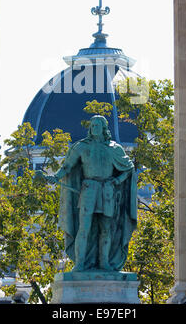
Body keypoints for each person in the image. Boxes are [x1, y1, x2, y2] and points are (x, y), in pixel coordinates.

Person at [43, 115, 137, 272]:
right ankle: (80, 263)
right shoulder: (81, 146)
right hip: (89, 188)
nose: (94, 128)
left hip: (107, 189)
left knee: (106, 228)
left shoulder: (114, 148)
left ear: (104, 128)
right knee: (84, 227)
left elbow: (129, 169)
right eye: (92, 125)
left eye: (97, 125)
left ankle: (104, 263)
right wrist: (55, 177)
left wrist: (118, 181)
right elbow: (67, 167)